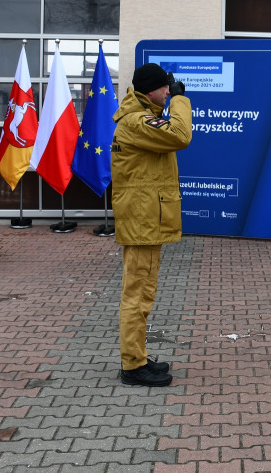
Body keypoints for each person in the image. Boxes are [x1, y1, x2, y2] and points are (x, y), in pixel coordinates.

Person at [112, 63, 192, 386]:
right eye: (165, 87)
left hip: (146, 218)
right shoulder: (136, 121)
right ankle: (132, 366)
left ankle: (138, 357)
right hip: (142, 220)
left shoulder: (143, 116)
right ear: (151, 91)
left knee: (144, 292)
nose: (169, 91)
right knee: (137, 294)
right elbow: (180, 135)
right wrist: (181, 100)